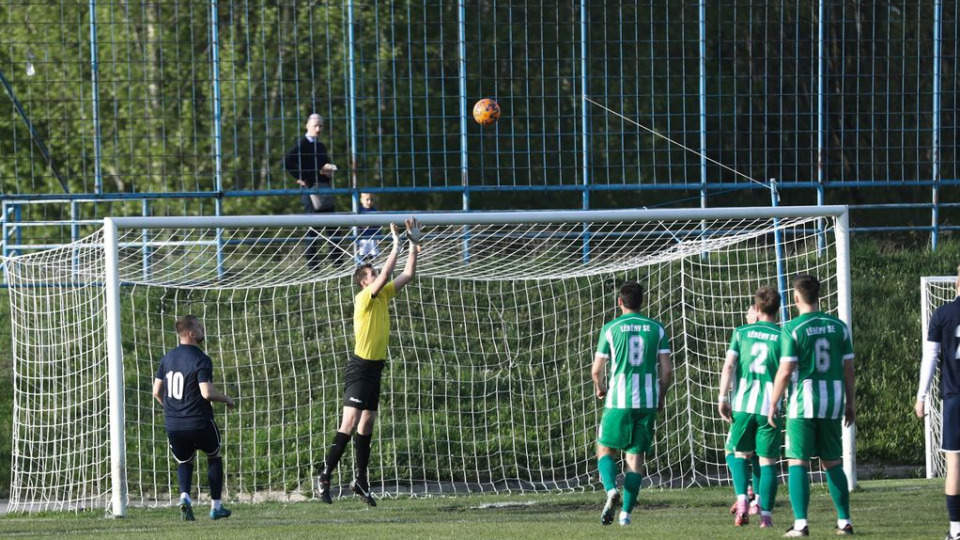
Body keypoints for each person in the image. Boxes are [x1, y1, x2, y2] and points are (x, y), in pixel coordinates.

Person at [316, 217, 421, 506]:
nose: (376, 274)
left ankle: (360, 481)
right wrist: (396, 246)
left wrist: (412, 244)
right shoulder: (364, 297)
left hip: (375, 368)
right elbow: (386, 275)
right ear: (364, 282)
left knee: (367, 423)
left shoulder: (383, 295)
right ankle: (325, 475)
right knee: (349, 422)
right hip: (360, 367)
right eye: (371, 273)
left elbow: (408, 275)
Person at [767, 274, 855, 537]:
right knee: (832, 462)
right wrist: (851, 402)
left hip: (802, 404)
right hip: (833, 402)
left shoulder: (792, 328)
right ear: (819, 296)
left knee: (797, 462)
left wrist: (773, 402)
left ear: (796, 298)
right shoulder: (839, 326)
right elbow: (848, 368)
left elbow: (785, 371)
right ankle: (844, 521)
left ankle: (801, 524)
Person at [592, 281, 672, 527]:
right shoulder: (656, 328)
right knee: (635, 460)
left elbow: (597, 370)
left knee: (605, 450)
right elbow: (667, 370)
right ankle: (626, 515)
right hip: (646, 401)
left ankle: (610, 491)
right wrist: (660, 396)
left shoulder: (610, 328)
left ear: (620, 302)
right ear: (642, 302)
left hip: (619, 400)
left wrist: (600, 388)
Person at [152, 315, 236, 521]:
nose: (203, 329)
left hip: (174, 423)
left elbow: (156, 391)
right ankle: (216, 507)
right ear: (190, 333)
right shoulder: (201, 358)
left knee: (185, 460)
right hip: (198, 420)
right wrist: (226, 398)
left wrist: (174, 409)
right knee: (214, 456)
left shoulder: (167, 357)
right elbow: (206, 392)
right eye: (199, 327)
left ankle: (185, 498)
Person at [719, 287, 782, 528]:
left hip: (743, 405)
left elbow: (729, 366)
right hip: (770, 408)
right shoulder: (783, 335)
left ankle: (743, 500)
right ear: (777, 308)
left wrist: (722, 397)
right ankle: (765, 516)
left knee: (738, 454)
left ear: (756, 308)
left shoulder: (741, 332)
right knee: (767, 462)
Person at [916, 264, 960, 540]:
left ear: (957, 281)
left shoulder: (943, 314)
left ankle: (956, 529)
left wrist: (921, 396)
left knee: (954, 462)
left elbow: (930, 358)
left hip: (955, 398)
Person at [283, 113, 340, 268]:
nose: (318, 128)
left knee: (333, 226)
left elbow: (322, 165)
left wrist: (328, 170)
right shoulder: (301, 144)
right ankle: (313, 265)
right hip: (309, 191)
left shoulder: (321, 146)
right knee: (313, 228)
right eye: (315, 125)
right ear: (307, 126)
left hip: (324, 188)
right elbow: (287, 161)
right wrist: (300, 177)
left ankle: (337, 262)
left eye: (321, 125)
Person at [356, 192, 380, 260]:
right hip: (362, 239)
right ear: (361, 200)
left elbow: (378, 226)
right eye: (367, 199)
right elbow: (353, 223)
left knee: (374, 257)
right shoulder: (358, 211)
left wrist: (379, 237)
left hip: (373, 239)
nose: (369, 202)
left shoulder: (375, 211)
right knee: (362, 257)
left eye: (371, 200)